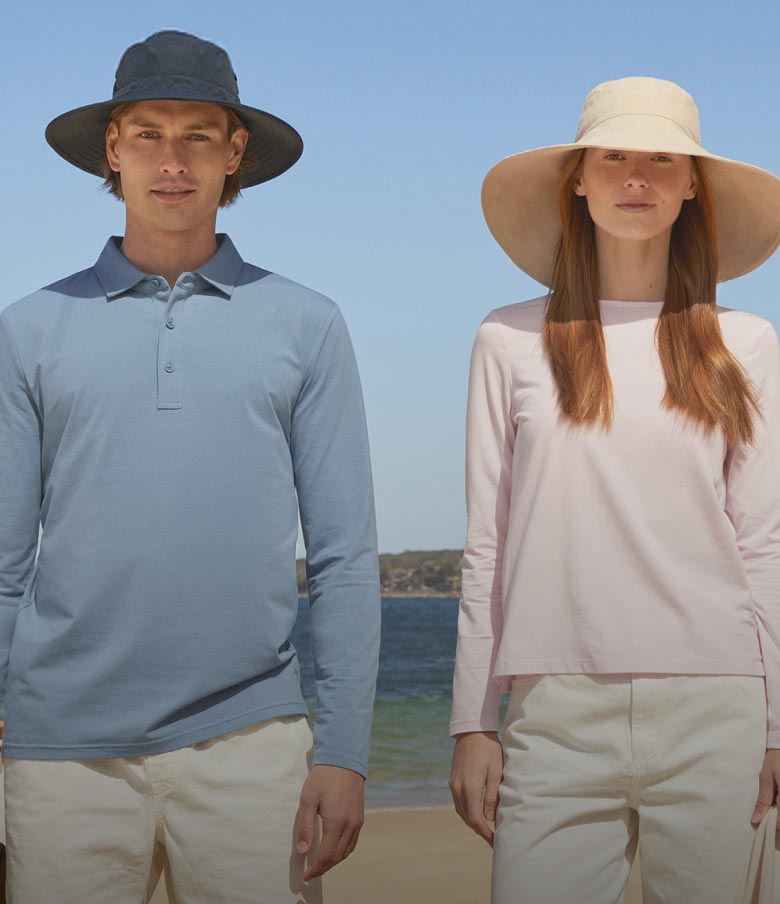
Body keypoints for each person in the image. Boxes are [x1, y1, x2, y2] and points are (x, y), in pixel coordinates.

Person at [0, 30, 380, 904]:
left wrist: (346, 751)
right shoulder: (29, 329)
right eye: (147, 134)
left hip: (252, 742)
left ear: (234, 153)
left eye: (199, 136)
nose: (172, 160)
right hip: (63, 758)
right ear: (113, 148)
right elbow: (6, 563)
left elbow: (345, 555)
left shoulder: (306, 323)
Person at [448, 76, 780, 903]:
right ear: (580, 178)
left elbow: (764, 544)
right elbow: (487, 540)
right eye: (615, 156)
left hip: (719, 712)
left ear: (693, 182)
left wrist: (776, 728)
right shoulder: (509, 338)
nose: (638, 177)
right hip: (553, 713)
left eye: (663, 159)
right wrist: (471, 721)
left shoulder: (746, 344)